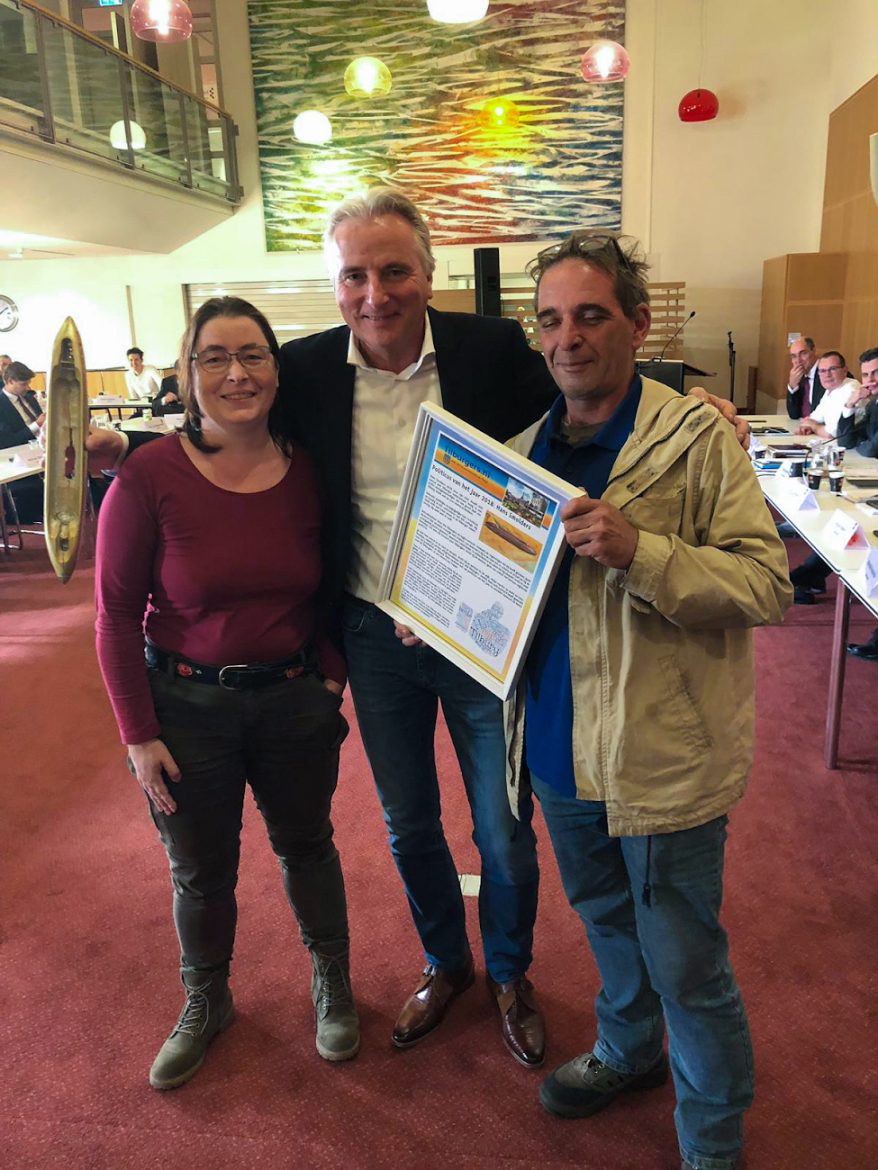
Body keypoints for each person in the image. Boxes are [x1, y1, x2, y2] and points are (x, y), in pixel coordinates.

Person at [503, 232, 791, 1170]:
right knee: (605, 922)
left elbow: (766, 585)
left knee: (687, 964)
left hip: (662, 755)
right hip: (558, 750)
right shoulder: (520, 455)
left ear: (636, 324)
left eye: (591, 315)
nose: (568, 338)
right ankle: (630, 1051)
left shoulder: (697, 439)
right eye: (551, 320)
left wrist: (644, 553)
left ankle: (711, 1142)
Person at [95, 297, 359, 1091]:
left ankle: (333, 982)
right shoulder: (148, 476)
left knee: (307, 846)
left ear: (277, 369)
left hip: (294, 701)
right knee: (201, 872)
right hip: (185, 711)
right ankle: (207, 999)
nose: (236, 374)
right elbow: (114, 617)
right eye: (215, 357)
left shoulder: (311, 468)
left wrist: (330, 674)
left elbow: (340, 577)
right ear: (188, 373)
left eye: (253, 355)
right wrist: (138, 735)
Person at [789, 347, 878, 607]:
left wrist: (862, 443)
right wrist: (850, 405)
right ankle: (809, 575)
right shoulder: (873, 402)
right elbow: (848, 439)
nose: (870, 380)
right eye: (866, 374)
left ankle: (809, 576)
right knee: (846, 519)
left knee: (851, 519)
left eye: (875, 373)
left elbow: (870, 448)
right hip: (869, 475)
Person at [0, 360, 44, 522]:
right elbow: (8, 441)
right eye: (23, 384)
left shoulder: (29, 398)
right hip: (17, 456)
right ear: (10, 381)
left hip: (40, 447)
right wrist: (36, 425)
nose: (27, 388)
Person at [795, 350, 860, 440]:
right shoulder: (831, 389)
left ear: (845, 370)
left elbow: (834, 433)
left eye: (832, 369)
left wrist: (814, 427)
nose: (827, 375)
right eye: (822, 371)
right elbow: (813, 418)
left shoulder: (851, 389)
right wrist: (807, 426)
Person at [786, 335, 823, 419]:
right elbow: (794, 414)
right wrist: (792, 386)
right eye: (794, 356)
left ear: (814, 351)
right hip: (803, 424)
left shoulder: (826, 373)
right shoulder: (799, 376)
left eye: (803, 353)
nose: (798, 361)